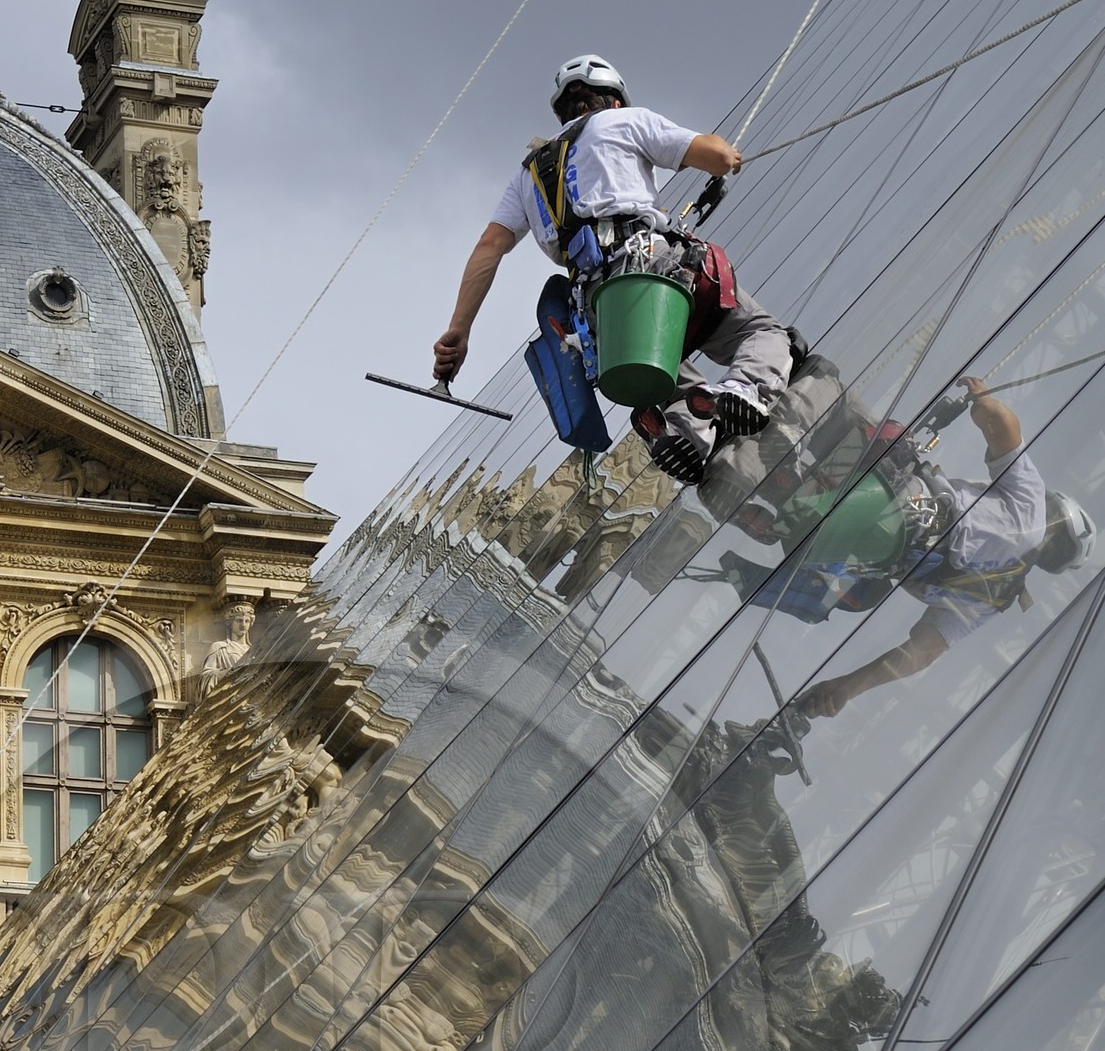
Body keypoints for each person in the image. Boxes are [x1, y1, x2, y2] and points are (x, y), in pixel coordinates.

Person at [433, 51, 795, 483]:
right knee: (764, 333)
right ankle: (744, 389)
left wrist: (460, 330)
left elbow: (489, 247)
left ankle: (683, 433)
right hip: (652, 269)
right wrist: (728, 158)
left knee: (664, 373)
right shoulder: (623, 121)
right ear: (615, 100)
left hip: (598, 310)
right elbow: (714, 156)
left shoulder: (527, 176)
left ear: (563, 111)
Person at [802, 376, 1095, 719]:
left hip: (894, 493)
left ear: (1057, 511)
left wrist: (983, 400)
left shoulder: (1032, 509)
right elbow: (921, 653)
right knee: (794, 504)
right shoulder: (991, 600)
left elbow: (1001, 425)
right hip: (859, 550)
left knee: (823, 397)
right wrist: (847, 687)